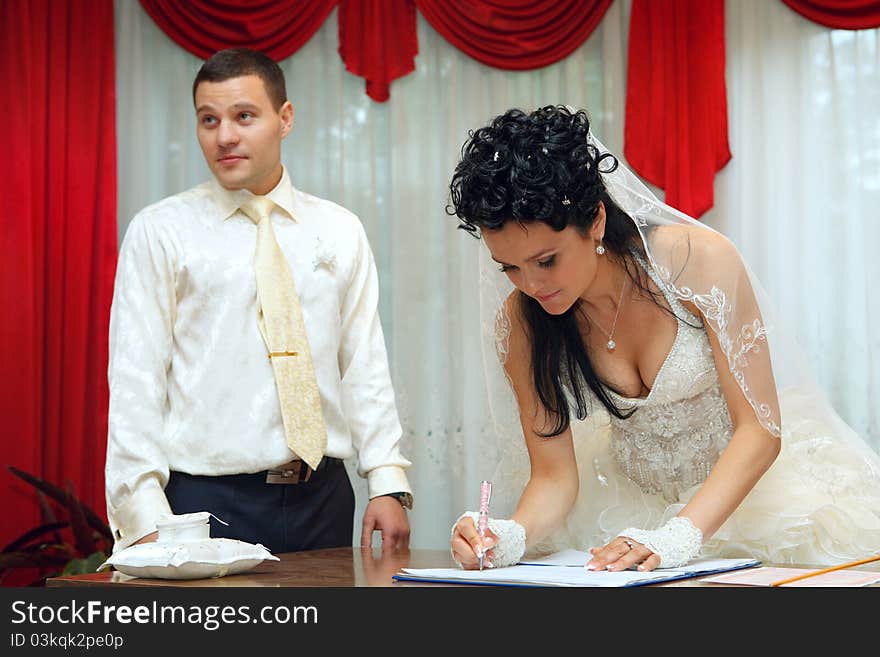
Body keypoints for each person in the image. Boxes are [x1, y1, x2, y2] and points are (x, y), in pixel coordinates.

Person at [447, 105, 880, 572]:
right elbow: (554, 477)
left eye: (546, 260)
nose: (531, 285)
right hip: (628, 511)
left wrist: (679, 535)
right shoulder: (522, 324)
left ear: (594, 220)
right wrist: (509, 534)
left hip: (753, 497)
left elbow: (759, 430)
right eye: (509, 267)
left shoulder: (696, 262)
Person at [105, 48, 413, 556]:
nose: (225, 135)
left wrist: (385, 478)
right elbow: (136, 380)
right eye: (209, 120)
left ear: (284, 118)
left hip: (324, 497)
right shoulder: (160, 232)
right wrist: (143, 516)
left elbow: (363, 363)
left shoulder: (339, 229)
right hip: (202, 502)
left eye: (243, 116)